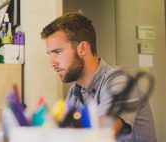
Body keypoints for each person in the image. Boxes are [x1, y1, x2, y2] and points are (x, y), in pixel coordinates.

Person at [41, 12, 157, 142]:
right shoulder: (74, 93)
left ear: (83, 49)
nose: (52, 63)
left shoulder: (120, 81)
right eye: (49, 54)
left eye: (57, 52)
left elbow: (100, 135)